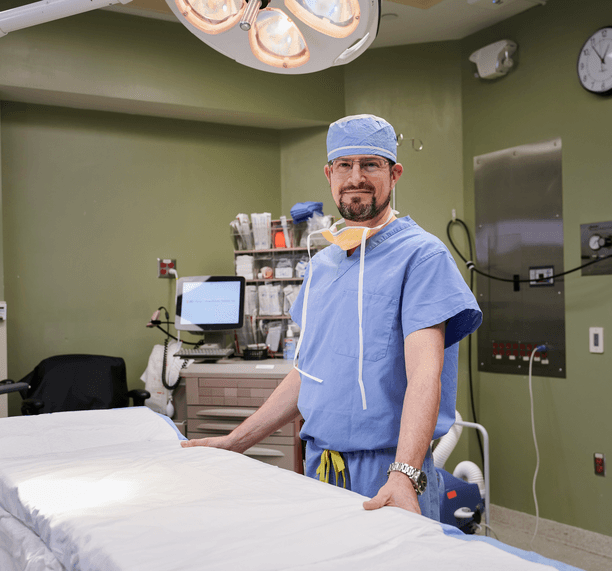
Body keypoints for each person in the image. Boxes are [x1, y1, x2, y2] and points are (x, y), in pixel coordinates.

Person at [182, 114, 482, 520]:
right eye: (345, 165)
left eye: (370, 164)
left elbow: (425, 375)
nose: (355, 176)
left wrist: (405, 475)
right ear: (329, 174)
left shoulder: (421, 256)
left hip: (388, 471)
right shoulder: (323, 264)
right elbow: (307, 373)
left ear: (394, 174)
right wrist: (236, 440)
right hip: (320, 467)